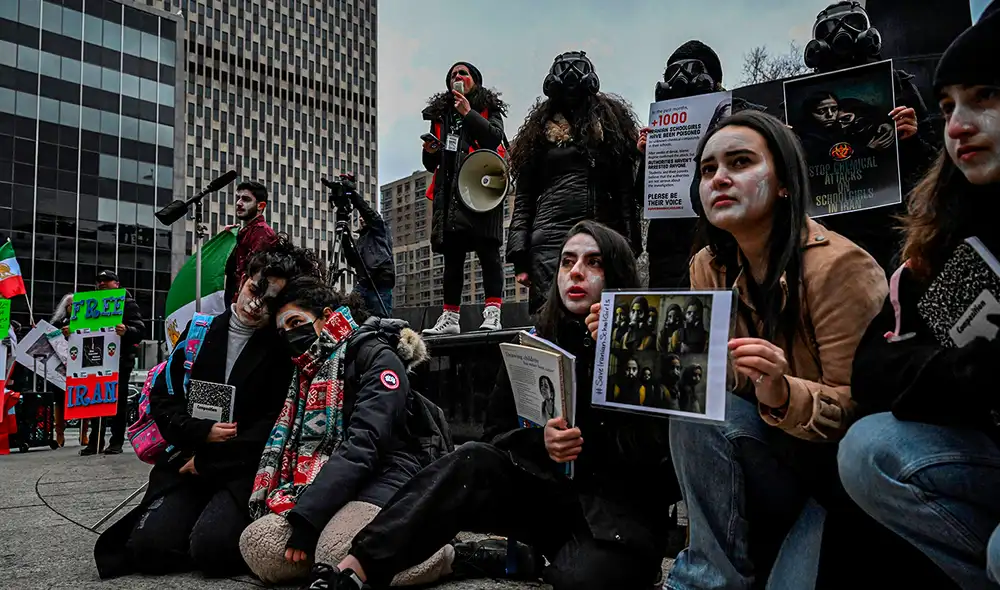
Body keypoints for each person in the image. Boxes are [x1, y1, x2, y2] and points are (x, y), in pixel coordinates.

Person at [311, 221, 680, 590]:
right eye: (567, 262)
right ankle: (356, 568)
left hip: (618, 522)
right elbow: (494, 437)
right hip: (553, 501)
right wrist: (542, 443)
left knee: (580, 579)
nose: (576, 273)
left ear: (617, 274)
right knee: (471, 459)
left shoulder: (648, 351)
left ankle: (544, 561)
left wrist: (620, 353)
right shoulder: (538, 341)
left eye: (594, 262)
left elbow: (667, 466)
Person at [663, 110, 893, 589]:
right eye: (707, 170)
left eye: (740, 162)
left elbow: (867, 413)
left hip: (835, 480)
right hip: (765, 457)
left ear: (785, 183)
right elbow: (709, 385)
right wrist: (625, 350)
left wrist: (784, 393)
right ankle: (706, 578)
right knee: (692, 407)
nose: (719, 178)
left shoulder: (841, 268)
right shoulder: (707, 266)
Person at [837, 7, 1000, 588]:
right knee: (870, 449)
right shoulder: (959, 235)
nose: (958, 124)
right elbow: (878, 366)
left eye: (985, 97)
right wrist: (967, 370)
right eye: (949, 104)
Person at [93, 238, 320, 579]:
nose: (256, 304)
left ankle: (207, 526)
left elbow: (274, 424)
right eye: (254, 288)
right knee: (146, 547)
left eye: (269, 299)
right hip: (186, 460)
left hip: (241, 470)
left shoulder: (279, 350)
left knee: (212, 550)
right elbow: (163, 397)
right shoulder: (200, 330)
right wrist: (199, 432)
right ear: (243, 281)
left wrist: (211, 460)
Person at [238, 277, 454, 585]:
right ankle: (340, 561)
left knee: (337, 550)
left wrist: (309, 516)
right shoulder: (305, 370)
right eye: (282, 330)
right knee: (259, 545)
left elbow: (365, 443)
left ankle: (444, 553)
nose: (290, 335)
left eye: (296, 322)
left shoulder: (376, 356)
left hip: (390, 472)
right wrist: (309, 516)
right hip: (331, 482)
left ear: (327, 316)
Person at [802, 0, 938, 274]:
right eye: (829, 29)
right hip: (833, 235)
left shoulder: (898, 86)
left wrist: (912, 139)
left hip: (895, 230)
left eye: (853, 25)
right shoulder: (801, 105)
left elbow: (934, 169)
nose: (842, 35)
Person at [506, 51, 642, 314]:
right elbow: (523, 199)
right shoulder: (538, 133)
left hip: (602, 235)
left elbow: (626, 191)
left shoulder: (612, 126)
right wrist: (519, 258)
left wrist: (630, 244)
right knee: (550, 320)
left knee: (604, 319)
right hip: (549, 243)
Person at [421, 62, 509, 335]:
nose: (457, 77)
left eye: (463, 73)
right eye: (452, 75)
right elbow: (430, 164)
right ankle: (450, 318)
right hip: (451, 194)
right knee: (453, 258)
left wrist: (469, 113)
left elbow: (494, 138)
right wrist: (430, 149)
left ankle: (493, 312)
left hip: (481, 189)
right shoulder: (441, 116)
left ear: (475, 81)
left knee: (488, 253)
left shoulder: (488, 109)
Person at [80, 270, 145, 456]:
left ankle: (116, 441)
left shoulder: (127, 303)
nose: (101, 283)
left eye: (106, 280)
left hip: (120, 359)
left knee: (118, 401)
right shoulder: (90, 305)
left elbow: (140, 329)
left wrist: (127, 330)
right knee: (95, 399)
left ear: (117, 284)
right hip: (94, 359)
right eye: (99, 280)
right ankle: (95, 441)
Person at [340, 187, 395, 317]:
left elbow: (369, 214)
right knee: (349, 312)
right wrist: (345, 239)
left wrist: (353, 196)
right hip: (364, 283)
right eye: (359, 218)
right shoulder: (362, 239)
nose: (361, 219)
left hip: (379, 281)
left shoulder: (379, 229)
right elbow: (353, 261)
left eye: (363, 217)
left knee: (380, 319)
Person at [224, 180, 278, 306]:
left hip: (245, 304)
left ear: (260, 206)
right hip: (237, 301)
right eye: (238, 198)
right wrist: (229, 240)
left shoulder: (262, 232)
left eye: (246, 199)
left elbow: (255, 275)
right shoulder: (245, 232)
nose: (238, 203)